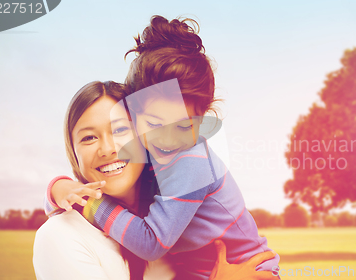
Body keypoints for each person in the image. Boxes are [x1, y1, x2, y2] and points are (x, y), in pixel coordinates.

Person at [46, 16, 280, 280]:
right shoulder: (148, 153)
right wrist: (60, 189)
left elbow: (150, 243)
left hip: (249, 272)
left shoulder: (191, 162)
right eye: (155, 124)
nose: (167, 140)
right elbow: (62, 202)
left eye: (182, 127)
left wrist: (90, 203)